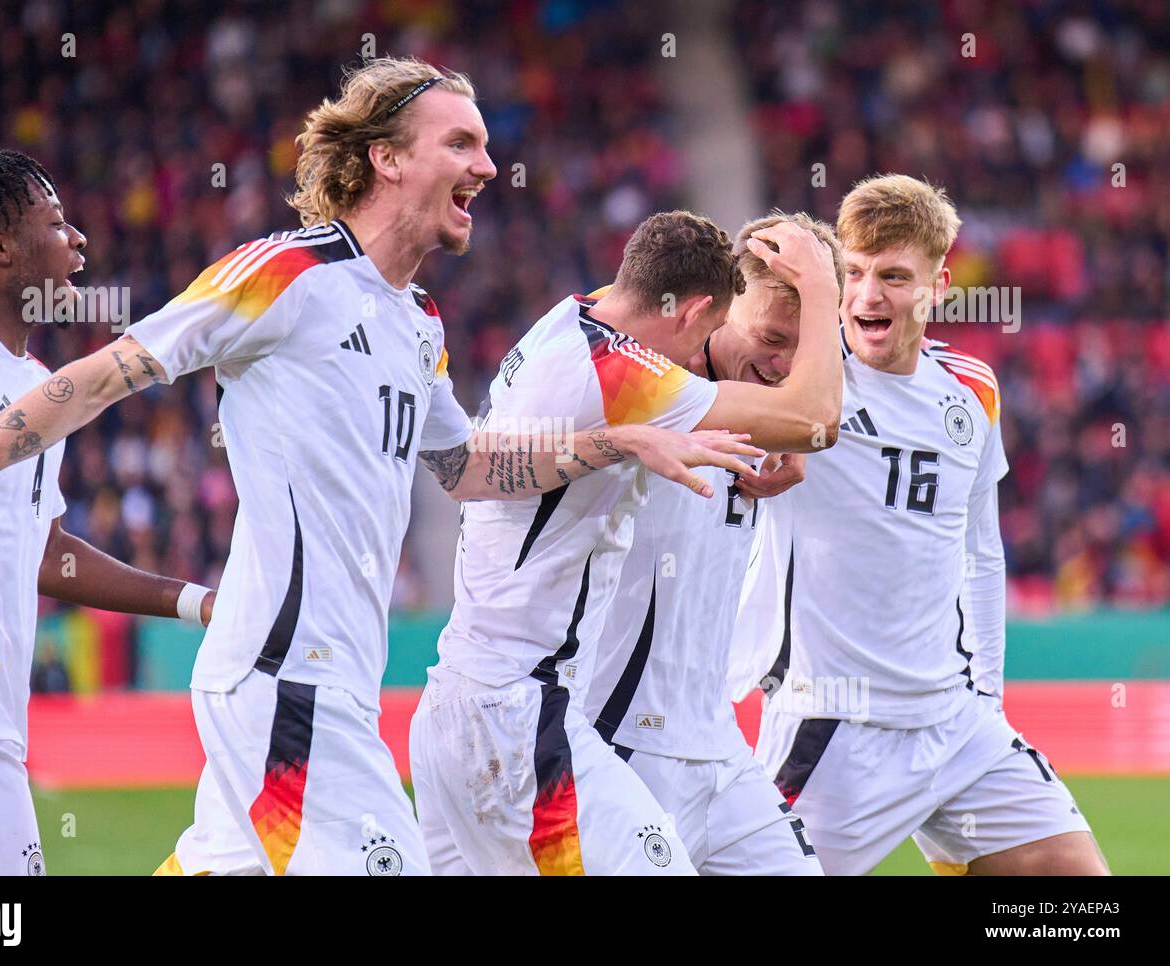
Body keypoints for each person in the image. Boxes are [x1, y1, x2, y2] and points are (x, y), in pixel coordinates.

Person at [0, 60, 746, 877]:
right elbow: (94, 380)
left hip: (332, 685)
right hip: (285, 682)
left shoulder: (419, 322)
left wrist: (617, 442)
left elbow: (469, 467)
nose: (488, 164)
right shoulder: (284, 273)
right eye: (461, 144)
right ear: (387, 160)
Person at [409, 210, 842, 874]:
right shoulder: (625, 373)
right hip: (519, 713)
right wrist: (822, 290)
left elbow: (463, 470)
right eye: (712, 329)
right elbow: (814, 420)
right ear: (698, 312)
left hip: (480, 702)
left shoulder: (567, 321)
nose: (699, 359)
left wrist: (624, 440)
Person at [740, 174, 1107, 876]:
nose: (868, 296)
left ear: (938, 285)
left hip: (957, 724)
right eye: (853, 273)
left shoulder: (971, 389)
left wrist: (989, 703)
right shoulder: (794, 379)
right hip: (833, 728)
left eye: (894, 276)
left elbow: (980, 553)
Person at [0, 150, 214, 876]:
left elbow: (47, 552)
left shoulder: (36, 387)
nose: (80, 242)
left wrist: (196, 602)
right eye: (56, 224)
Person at [585, 211, 844, 876]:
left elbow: (807, 421)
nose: (785, 363)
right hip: (623, 741)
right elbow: (816, 423)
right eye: (768, 336)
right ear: (718, 309)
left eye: (804, 343)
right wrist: (819, 290)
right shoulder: (652, 380)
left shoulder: (755, 407)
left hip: (718, 745)